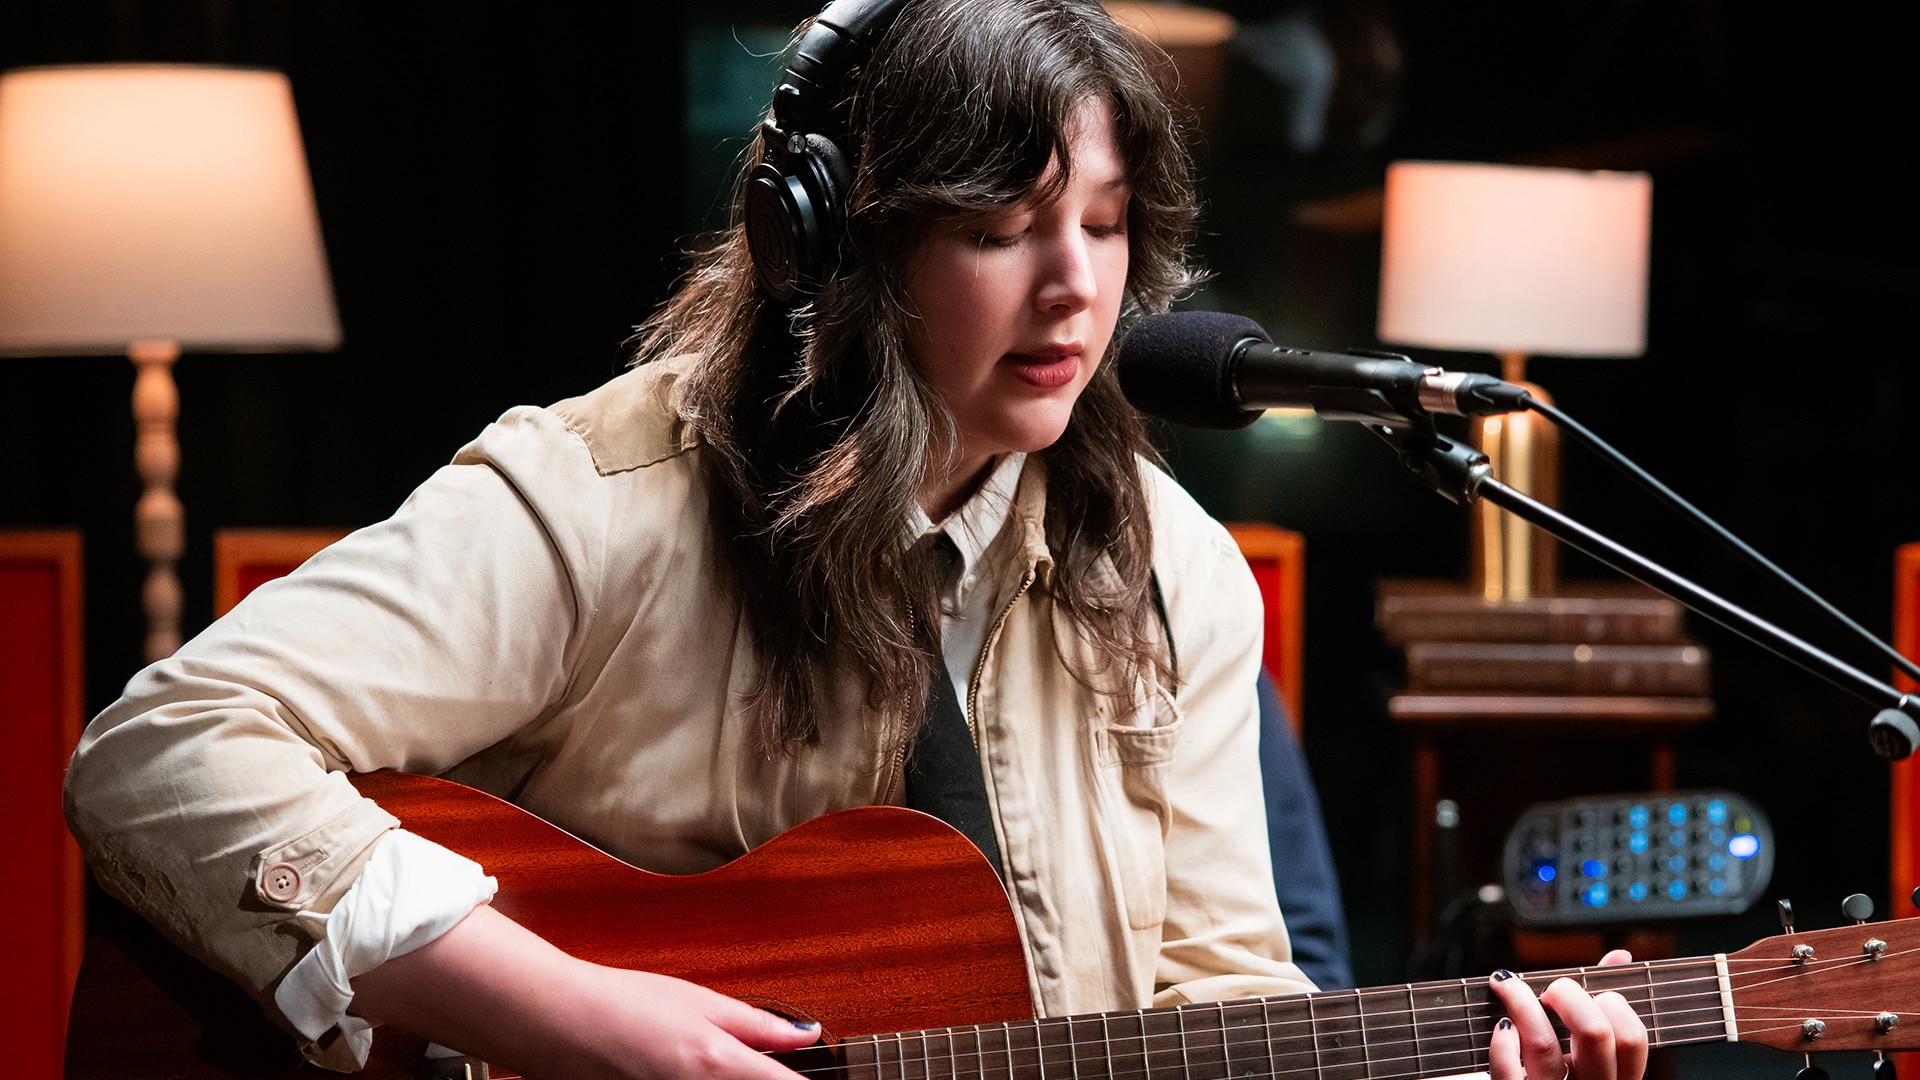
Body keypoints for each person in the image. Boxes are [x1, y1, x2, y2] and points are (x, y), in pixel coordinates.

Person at [63, 1, 1648, 1078]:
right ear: (839, 244)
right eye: (998, 228)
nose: (1075, 289)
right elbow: (159, 748)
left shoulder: (1172, 574)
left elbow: (1219, 1006)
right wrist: (579, 1019)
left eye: (1101, 226)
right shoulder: (606, 502)